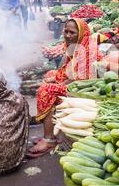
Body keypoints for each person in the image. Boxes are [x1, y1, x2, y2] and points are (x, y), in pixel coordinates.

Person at [27, 18, 102, 157]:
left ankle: (49, 139)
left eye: (72, 32)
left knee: (46, 90)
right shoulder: (73, 44)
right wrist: (55, 78)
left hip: (84, 89)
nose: (67, 35)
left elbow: (79, 79)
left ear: (81, 33)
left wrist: (57, 84)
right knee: (50, 75)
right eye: (66, 31)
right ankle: (51, 131)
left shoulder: (87, 50)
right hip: (75, 81)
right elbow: (69, 70)